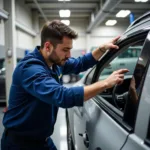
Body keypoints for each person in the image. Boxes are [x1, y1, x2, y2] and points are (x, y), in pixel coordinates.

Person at [1, 20, 128, 150]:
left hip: (42, 140)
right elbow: (62, 96)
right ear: (48, 46)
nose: (69, 55)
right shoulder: (30, 69)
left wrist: (102, 49)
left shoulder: (55, 63)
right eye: (65, 50)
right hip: (19, 145)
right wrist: (106, 83)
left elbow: (80, 63)